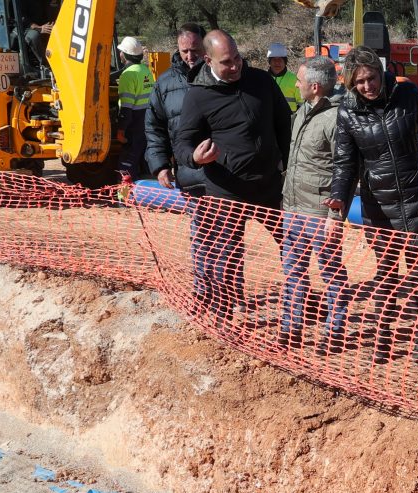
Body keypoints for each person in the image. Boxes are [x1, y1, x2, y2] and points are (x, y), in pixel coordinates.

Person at [173, 30, 292, 323]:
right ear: (207, 60)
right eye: (227, 62)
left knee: (292, 247)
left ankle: (301, 305)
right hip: (226, 190)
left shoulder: (262, 82)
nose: (236, 66)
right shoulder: (199, 96)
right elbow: (182, 142)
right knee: (226, 257)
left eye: (237, 58)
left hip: (268, 185)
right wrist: (194, 158)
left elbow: (284, 125)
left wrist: (287, 166)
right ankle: (224, 314)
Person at [327, 46, 418, 366]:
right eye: (359, 82)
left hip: (416, 199)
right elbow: (345, 164)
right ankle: (383, 336)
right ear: (350, 84)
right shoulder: (347, 111)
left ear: (380, 72)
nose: (367, 86)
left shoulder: (409, 95)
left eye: (371, 78)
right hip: (378, 204)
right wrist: (337, 206)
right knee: (385, 275)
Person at [279, 56, 349, 356]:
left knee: (332, 274)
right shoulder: (302, 112)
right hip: (292, 209)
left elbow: (343, 170)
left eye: (299, 80)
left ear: (315, 86)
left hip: (320, 213)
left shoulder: (335, 119)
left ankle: (335, 331)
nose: (295, 84)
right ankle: (292, 327)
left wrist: (335, 215)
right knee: (292, 271)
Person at [146, 23, 207, 193]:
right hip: (189, 178)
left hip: (225, 178)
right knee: (198, 220)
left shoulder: (222, 76)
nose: (190, 56)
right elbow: (154, 127)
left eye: (195, 50)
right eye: (184, 51)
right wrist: (160, 165)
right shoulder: (164, 83)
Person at [116, 36, 155, 180]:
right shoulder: (145, 70)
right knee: (144, 161)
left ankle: (126, 198)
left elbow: (126, 107)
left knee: (127, 163)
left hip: (133, 124)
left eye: (121, 51)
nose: (119, 54)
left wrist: (121, 129)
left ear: (124, 54)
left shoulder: (127, 75)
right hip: (147, 121)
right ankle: (147, 196)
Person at [18, 0, 60, 71]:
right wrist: (38, 28)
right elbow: (21, 16)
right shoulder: (22, 2)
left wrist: (55, 24)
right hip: (25, 27)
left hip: (46, 26)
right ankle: (47, 66)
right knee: (34, 36)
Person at [268, 42, 302, 113]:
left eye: (280, 60)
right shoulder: (263, 78)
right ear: (269, 62)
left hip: (290, 121)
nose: (277, 63)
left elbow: (302, 104)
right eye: (274, 59)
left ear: (285, 61)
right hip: (268, 121)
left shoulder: (294, 79)